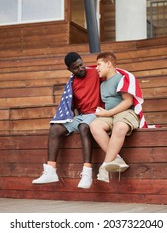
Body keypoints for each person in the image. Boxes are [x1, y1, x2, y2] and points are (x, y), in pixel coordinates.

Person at [32, 52, 102, 189]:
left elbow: (113, 74)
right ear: (69, 70)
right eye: (76, 68)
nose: (80, 69)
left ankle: (87, 172)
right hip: (81, 115)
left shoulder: (95, 73)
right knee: (55, 128)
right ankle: (51, 170)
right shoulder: (71, 84)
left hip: (97, 114)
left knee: (83, 127)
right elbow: (70, 105)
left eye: (81, 64)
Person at [90, 52, 143, 183]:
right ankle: (116, 158)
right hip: (110, 114)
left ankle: (105, 167)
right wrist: (104, 112)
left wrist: (107, 113)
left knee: (119, 127)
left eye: (99, 65)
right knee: (94, 125)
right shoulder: (102, 84)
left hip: (126, 112)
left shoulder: (121, 79)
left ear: (109, 64)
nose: (96, 68)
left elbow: (128, 101)